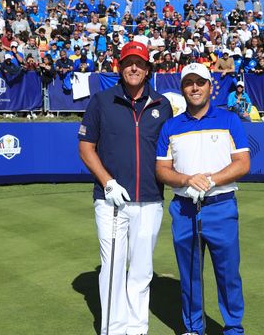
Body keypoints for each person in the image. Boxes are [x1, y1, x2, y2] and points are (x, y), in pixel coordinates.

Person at [78, 41, 173, 335]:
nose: (134, 68)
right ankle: (113, 330)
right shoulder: (102, 101)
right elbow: (86, 147)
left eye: (140, 63)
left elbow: (171, 152)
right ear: (120, 67)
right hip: (111, 202)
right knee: (114, 268)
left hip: (150, 200)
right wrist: (107, 183)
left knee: (142, 271)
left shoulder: (162, 104)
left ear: (148, 70)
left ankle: (137, 329)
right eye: (129, 62)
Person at [155, 63, 250, 335]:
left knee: (228, 274)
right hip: (184, 209)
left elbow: (242, 163)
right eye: (189, 83)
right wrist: (186, 180)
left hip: (221, 207)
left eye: (200, 82)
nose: (194, 88)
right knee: (190, 275)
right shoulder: (171, 126)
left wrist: (210, 180)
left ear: (210, 86)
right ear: (183, 88)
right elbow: (161, 169)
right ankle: (194, 329)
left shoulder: (229, 120)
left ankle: (233, 328)